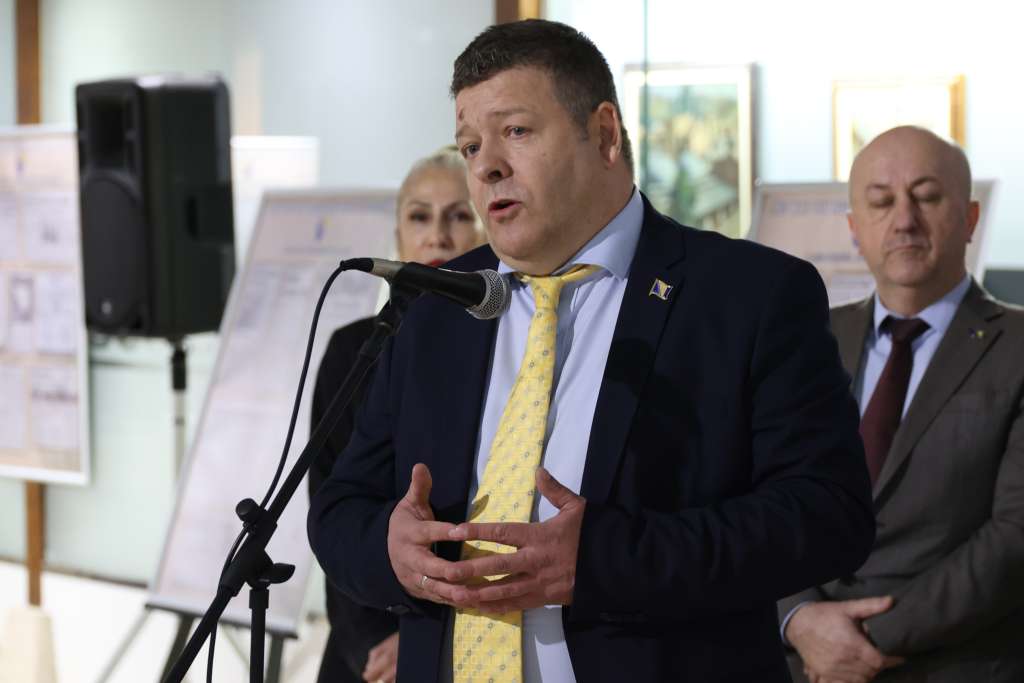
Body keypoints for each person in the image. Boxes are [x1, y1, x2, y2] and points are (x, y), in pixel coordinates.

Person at [310, 19, 875, 682]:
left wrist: (607, 560)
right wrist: (392, 549)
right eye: (470, 146)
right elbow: (342, 506)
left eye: (516, 131)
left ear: (604, 134)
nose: (487, 165)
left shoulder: (749, 295)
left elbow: (828, 515)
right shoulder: (436, 305)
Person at [778, 126, 1024, 682]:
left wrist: (860, 643)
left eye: (927, 196)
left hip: (956, 665)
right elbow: (750, 498)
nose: (904, 220)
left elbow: (1014, 537)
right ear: (854, 229)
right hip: (803, 663)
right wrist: (798, 619)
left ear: (970, 218)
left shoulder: (1017, 347)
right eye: (881, 202)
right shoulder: (805, 339)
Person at [308, 145, 483, 683]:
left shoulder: (509, 350)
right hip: (369, 632)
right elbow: (335, 507)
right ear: (398, 235)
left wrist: (426, 633)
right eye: (419, 217)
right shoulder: (354, 350)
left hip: (471, 633)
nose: (438, 237)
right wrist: (374, 641)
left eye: (459, 216)